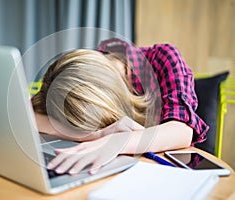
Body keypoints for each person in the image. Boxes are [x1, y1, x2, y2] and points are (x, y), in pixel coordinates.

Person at [31, 38, 209, 175]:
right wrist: (96, 135)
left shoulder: (163, 58)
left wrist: (116, 142)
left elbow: (182, 131)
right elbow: (28, 113)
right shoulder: (70, 73)